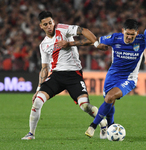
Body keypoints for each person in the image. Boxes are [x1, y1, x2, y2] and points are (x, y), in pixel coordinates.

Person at [63, 19, 146, 138]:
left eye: (132, 35)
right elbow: (93, 40)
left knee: (110, 97)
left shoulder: (143, 39)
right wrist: (69, 43)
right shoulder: (114, 38)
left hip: (129, 78)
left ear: (137, 33)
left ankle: (93, 126)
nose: (129, 37)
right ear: (123, 31)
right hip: (112, 75)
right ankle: (110, 126)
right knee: (109, 102)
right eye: (127, 34)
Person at [21, 11, 107, 140]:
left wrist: (92, 44)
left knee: (85, 106)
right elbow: (45, 68)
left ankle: (103, 122)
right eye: (46, 24)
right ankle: (31, 134)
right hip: (56, 76)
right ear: (41, 26)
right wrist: (38, 89)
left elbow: (84, 31)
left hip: (74, 75)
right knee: (37, 101)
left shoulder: (63, 29)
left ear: (53, 22)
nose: (49, 26)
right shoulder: (43, 45)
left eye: (50, 22)